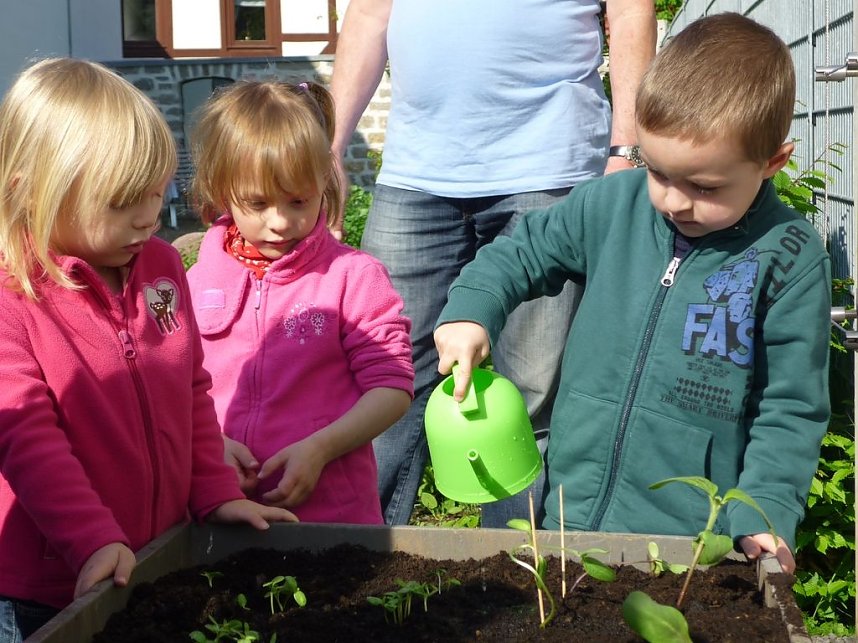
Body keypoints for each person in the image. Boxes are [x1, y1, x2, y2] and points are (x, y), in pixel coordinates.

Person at [433, 13, 831, 574]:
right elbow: (520, 252)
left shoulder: (789, 254)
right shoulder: (611, 205)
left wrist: (763, 511)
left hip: (690, 546)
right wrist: (471, 313)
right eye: (659, 171)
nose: (674, 202)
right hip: (571, 514)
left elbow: (790, 407)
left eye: (704, 187)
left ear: (772, 163)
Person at [0, 58, 297, 642]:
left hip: (157, 556)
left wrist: (214, 492)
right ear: (31, 190)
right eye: (121, 201)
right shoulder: (14, 292)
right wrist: (92, 537)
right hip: (53, 586)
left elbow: (189, 388)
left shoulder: (160, 266)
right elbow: (25, 434)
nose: (148, 217)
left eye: (156, 194)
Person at [330, 0, 657, 527]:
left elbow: (629, 11)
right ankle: (361, 567)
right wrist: (329, 146)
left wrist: (629, 148)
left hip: (548, 166)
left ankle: (513, 583)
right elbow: (370, 14)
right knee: (381, 380)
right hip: (416, 171)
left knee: (526, 397)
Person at [186, 81, 414, 524]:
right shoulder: (194, 280)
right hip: (219, 513)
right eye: (257, 202)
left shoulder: (353, 277)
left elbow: (392, 388)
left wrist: (321, 448)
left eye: (298, 201)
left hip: (334, 516)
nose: (280, 222)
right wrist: (209, 444)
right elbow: (171, 389)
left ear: (323, 184)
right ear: (220, 190)